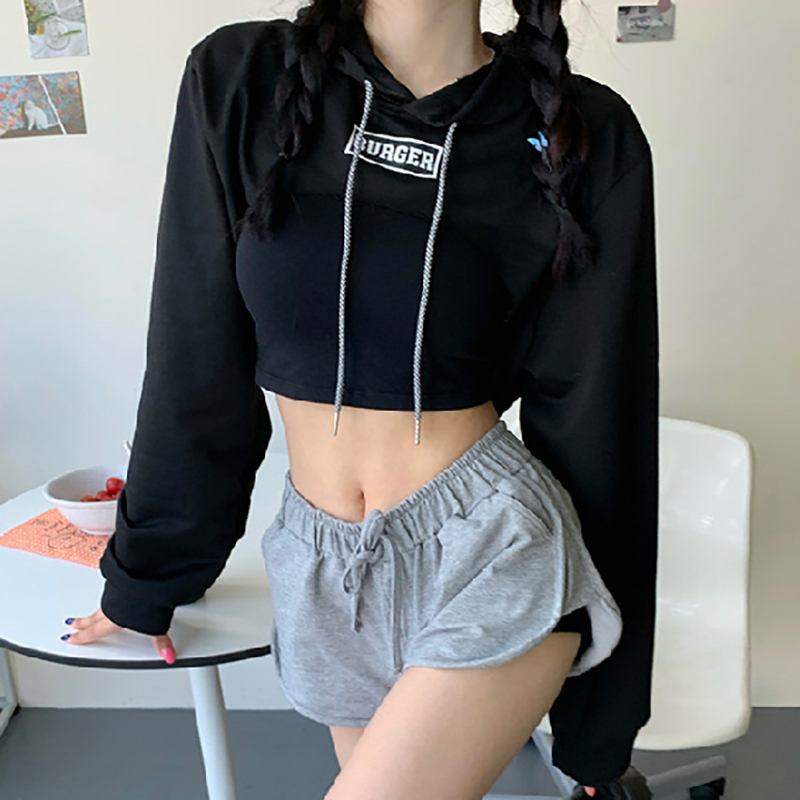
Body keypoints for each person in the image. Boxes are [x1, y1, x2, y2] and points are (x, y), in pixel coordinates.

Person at [61, 1, 659, 797]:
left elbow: (601, 417)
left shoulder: (583, 131)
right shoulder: (243, 79)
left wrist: (599, 729)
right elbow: (194, 356)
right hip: (320, 560)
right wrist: (148, 576)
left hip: (489, 546)